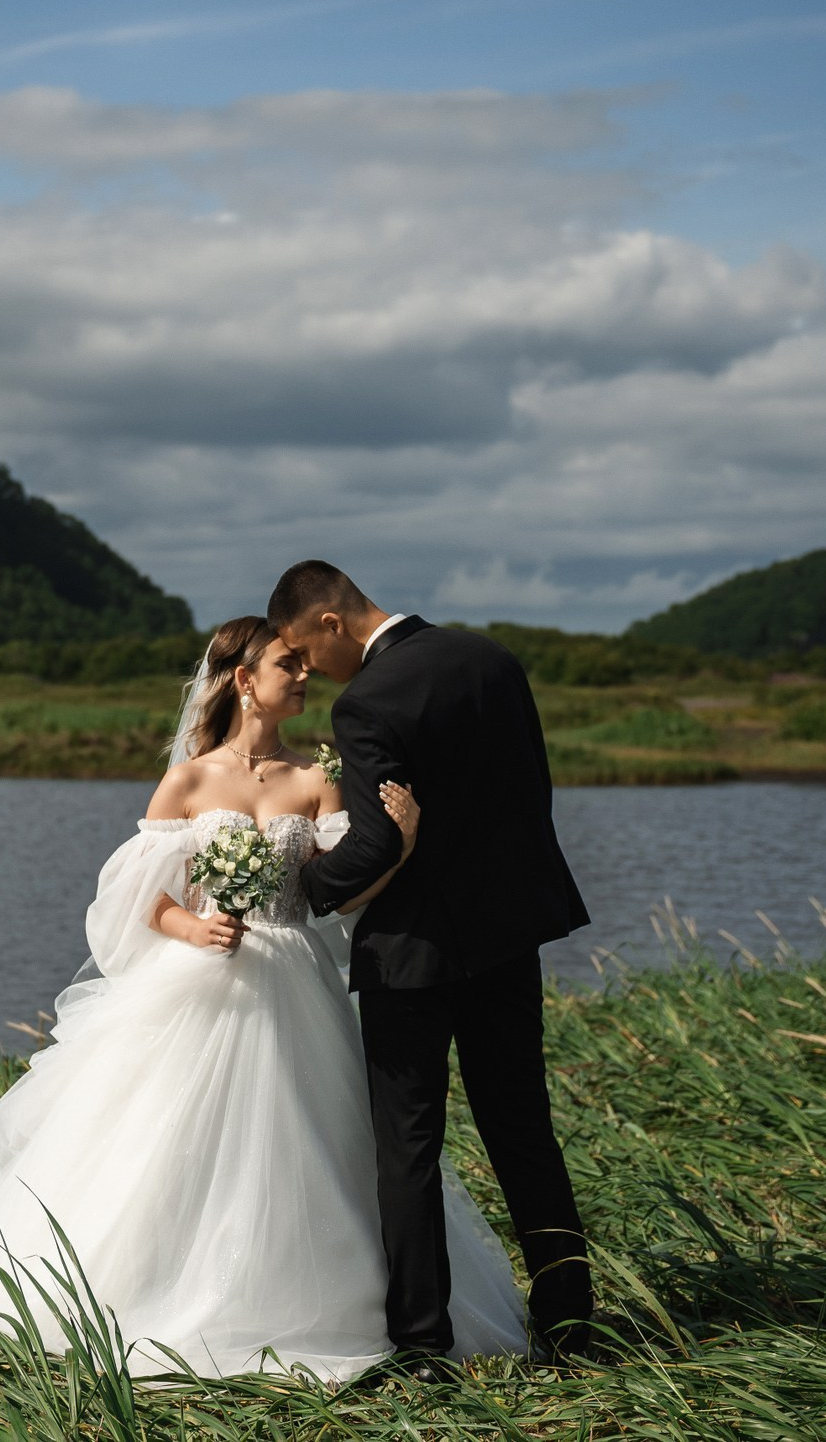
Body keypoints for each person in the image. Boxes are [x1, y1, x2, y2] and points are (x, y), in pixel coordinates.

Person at [0, 615, 528, 1381]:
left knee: (311, 1141)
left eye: (305, 665)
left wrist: (402, 847)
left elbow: (340, 900)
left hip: (292, 982)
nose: (306, 676)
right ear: (245, 680)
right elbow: (138, 895)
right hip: (200, 983)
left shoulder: (317, 776)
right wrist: (192, 926)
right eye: (289, 665)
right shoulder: (189, 777)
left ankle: (319, 1307)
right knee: (160, 1141)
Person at [269, 560, 594, 1377]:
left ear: (332, 621)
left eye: (306, 651)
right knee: (524, 1132)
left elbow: (379, 844)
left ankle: (423, 1348)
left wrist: (296, 887)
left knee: (407, 1148)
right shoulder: (493, 660)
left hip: (414, 955)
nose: (308, 670)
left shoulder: (370, 702)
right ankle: (572, 1328)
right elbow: (533, 796)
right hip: (509, 938)